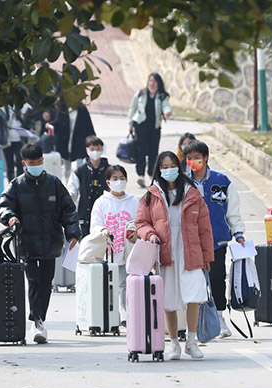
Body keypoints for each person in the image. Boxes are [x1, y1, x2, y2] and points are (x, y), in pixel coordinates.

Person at [0, 142, 81, 344]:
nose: (35, 165)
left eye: (38, 161)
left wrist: (72, 232)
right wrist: (9, 217)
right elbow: (4, 206)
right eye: (31, 162)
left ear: (42, 161)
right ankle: (37, 321)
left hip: (51, 242)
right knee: (33, 281)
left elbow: (68, 210)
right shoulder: (16, 185)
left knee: (46, 284)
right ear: (24, 163)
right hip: (26, 243)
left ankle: (39, 318)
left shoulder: (54, 183)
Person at [135, 151, 214, 360]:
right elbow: (141, 223)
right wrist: (150, 235)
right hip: (166, 253)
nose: (169, 170)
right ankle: (174, 344)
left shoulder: (192, 193)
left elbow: (205, 228)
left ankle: (191, 340)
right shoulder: (151, 195)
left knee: (194, 295)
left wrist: (207, 257)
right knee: (168, 300)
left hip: (191, 252)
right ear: (159, 170)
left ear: (179, 167)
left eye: (172, 165)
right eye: (164, 166)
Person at [183, 140, 246, 338]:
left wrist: (239, 232)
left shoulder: (222, 181)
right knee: (193, 281)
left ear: (206, 158)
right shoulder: (182, 182)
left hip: (216, 240)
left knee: (217, 278)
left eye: (197, 158)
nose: (193, 162)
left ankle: (219, 318)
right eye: (189, 159)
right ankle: (191, 323)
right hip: (190, 241)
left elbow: (232, 210)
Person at [90, 165, 140, 327]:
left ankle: (127, 314)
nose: (119, 182)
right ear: (108, 182)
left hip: (129, 250)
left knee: (125, 285)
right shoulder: (101, 203)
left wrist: (137, 232)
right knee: (113, 285)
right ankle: (114, 315)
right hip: (110, 251)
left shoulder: (134, 202)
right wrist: (102, 230)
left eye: (122, 178)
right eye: (115, 179)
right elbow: (95, 225)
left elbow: (142, 222)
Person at [128, 73, 172, 188]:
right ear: (147, 82)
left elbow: (166, 106)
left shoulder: (162, 96)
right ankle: (140, 176)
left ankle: (151, 174)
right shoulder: (140, 94)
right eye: (150, 81)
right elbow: (132, 109)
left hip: (154, 128)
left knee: (153, 152)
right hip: (140, 126)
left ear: (159, 83)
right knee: (141, 151)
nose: (152, 83)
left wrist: (167, 111)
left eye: (155, 81)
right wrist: (130, 124)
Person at [67, 136, 110, 236]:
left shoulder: (109, 170)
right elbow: (72, 189)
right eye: (92, 149)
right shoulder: (80, 171)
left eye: (98, 149)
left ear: (102, 149)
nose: (95, 152)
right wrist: (71, 196)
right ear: (87, 150)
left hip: (105, 216)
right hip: (85, 216)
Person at [53, 97, 96, 181]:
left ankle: (80, 184)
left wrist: (92, 138)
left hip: (79, 140)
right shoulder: (62, 109)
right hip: (65, 141)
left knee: (80, 164)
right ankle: (67, 185)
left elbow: (88, 125)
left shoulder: (82, 110)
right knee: (67, 166)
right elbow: (57, 123)